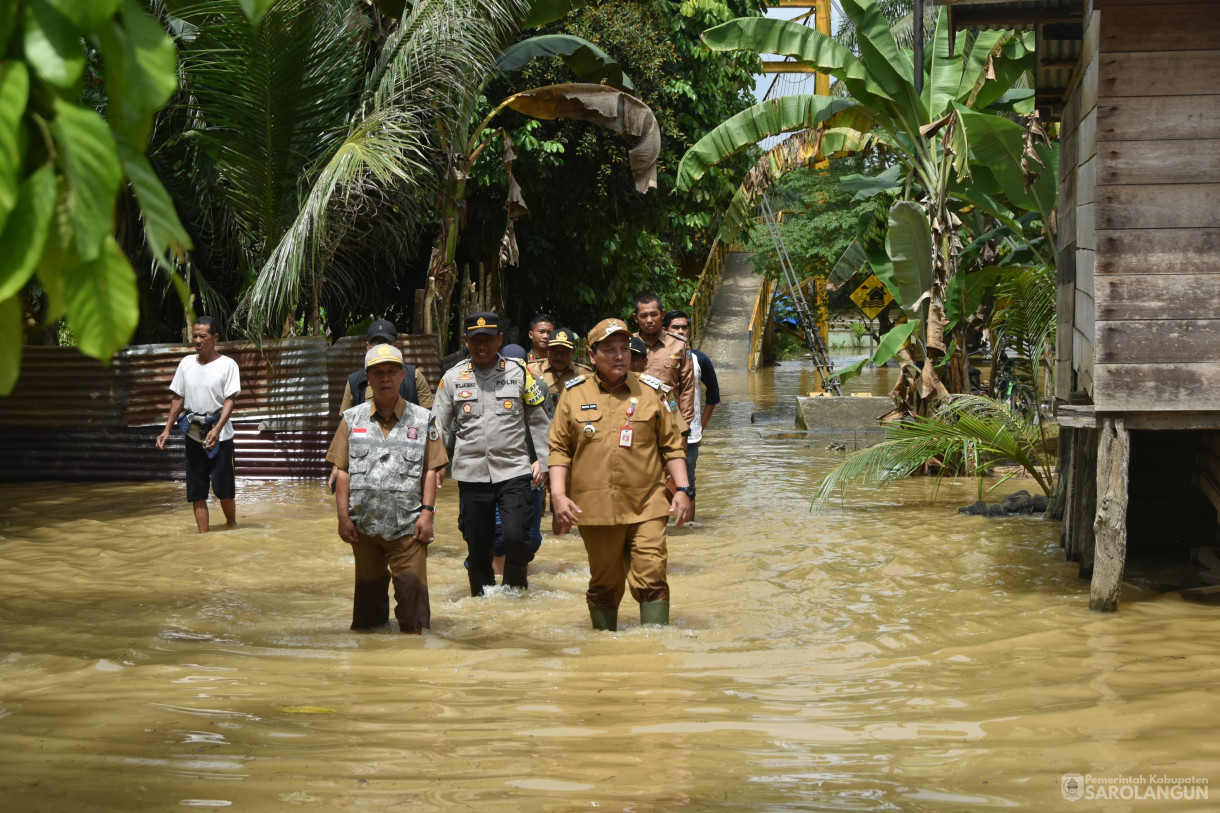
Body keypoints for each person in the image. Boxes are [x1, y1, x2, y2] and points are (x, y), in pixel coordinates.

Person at [548, 318, 693, 631]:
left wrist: (683, 489)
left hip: (648, 505)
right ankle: (603, 656)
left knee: (652, 574)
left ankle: (655, 654)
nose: (619, 356)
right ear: (592, 355)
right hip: (595, 508)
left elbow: (673, 448)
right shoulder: (572, 395)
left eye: (624, 349)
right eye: (610, 350)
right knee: (605, 584)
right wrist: (558, 496)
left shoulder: (655, 393)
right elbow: (559, 451)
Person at [326, 344, 446, 633]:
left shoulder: (423, 419)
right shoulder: (351, 419)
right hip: (363, 528)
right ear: (367, 378)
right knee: (367, 619)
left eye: (391, 372)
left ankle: (413, 668)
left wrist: (427, 514)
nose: (385, 378)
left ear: (402, 376)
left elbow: (432, 469)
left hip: (408, 527)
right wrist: (343, 518)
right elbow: (341, 472)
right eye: (378, 373)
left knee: (414, 615)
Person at [429, 312, 550, 595]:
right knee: (478, 542)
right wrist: (435, 465)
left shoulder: (520, 373)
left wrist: (544, 463)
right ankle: (481, 599)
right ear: (465, 342)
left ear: (500, 340)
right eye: (475, 340)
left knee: (517, 537)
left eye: (488, 339)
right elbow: (438, 427)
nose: (481, 346)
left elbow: (539, 421)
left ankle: (514, 591)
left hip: (514, 470)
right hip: (471, 474)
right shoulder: (452, 378)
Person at [156, 316, 241, 533]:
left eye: (202, 336)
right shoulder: (186, 364)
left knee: (224, 488)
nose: (197, 340)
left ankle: (232, 525)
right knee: (197, 490)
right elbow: (178, 399)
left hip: (221, 436)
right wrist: (167, 429)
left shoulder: (227, 365)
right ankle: (203, 538)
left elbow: (230, 400)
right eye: (194, 336)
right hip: (193, 434)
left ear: (215, 338)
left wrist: (217, 428)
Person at [330, 319, 434, 491]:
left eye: (385, 342)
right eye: (375, 342)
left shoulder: (414, 376)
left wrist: (433, 468)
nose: (380, 346)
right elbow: (345, 428)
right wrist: (337, 465)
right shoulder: (355, 382)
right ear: (367, 346)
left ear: (397, 345)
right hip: (366, 468)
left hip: (406, 467)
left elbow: (429, 425)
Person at [664, 310, 720, 506]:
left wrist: (700, 427)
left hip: (690, 432)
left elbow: (713, 395)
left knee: (687, 482)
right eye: (675, 327)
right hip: (658, 428)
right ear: (665, 330)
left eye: (684, 327)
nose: (680, 331)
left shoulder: (700, 359)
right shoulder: (651, 356)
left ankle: (688, 528)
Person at [632, 292, 695, 434]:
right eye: (643, 316)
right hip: (635, 418)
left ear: (662, 315)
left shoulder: (679, 345)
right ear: (636, 318)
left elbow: (688, 388)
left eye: (654, 314)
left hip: (670, 420)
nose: (649, 320)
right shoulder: (627, 344)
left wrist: (684, 427)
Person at [528, 327, 592, 415]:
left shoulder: (585, 373)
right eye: (554, 351)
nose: (559, 357)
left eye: (565, 352)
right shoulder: (532, 370)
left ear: (573, 352)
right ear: (548, 350)